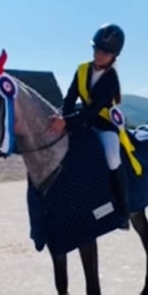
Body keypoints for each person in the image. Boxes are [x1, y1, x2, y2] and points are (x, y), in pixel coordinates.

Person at [46, 23, 131, 228]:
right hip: (81, 119)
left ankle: (123, 209)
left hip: (104, 123)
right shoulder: (82, 69)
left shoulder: (111, 79)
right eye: (97, 49)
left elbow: (93, 110)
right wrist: (61, 117)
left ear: (114, 56)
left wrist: (67, 122)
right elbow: (69, 98)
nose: (99, 55)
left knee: (112, 156)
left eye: (105, 52)